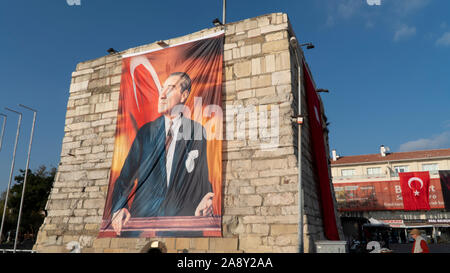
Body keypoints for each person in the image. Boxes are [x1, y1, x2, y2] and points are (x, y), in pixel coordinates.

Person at [110, 72, 214, 236]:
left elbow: (201, 175)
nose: (162, 94)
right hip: (140, 223)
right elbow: (125, 177)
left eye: (170, 89)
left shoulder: (196, 131)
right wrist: (119, 207)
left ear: (184, 95)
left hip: (181, 225)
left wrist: (207, 198)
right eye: (162, 89)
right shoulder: (146, 132)